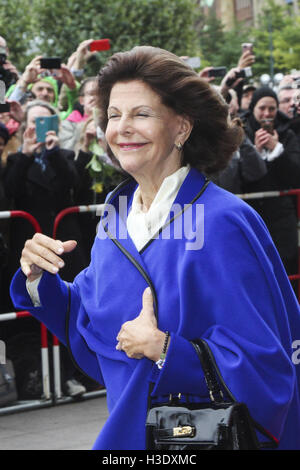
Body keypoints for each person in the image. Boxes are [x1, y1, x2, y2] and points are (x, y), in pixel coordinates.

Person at [9, 46, 300, 450]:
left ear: (182, 128)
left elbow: (266, 365)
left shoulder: (223, 220)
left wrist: (166, 350)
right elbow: (93, 323)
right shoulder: (116, 214)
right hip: (129, 431)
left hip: (198, 439)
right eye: (114, 115)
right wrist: (40, 279)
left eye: (141, 114)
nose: (122, 128)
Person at [241, 86, 300, 278]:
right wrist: (254, 153)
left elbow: (294, 174)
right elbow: (240, 177)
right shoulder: (242, 133)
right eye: (262, 108)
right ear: (253, 109)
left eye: (272, 109)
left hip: (281, 217)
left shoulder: (288, 133)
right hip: (251, 215)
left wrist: (277, 149)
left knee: (285, 271)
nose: (267, 114)